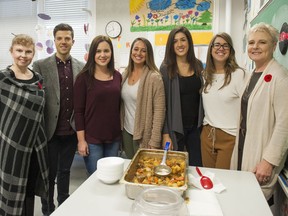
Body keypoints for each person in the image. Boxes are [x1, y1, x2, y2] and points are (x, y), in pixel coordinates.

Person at [230, 22, 288, 204]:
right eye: (251, 42)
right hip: (243, 148)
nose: (255, 47)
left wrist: (268, 161)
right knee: (240, 200)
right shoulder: (253, 74)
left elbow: (284, 124)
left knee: (252, 204)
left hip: (261, 155)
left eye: (262, 42)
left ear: (273, 45)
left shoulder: (280, 77)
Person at [32, 23, 85, 215]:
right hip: (50, 131)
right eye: (60, 38)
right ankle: (48, 210)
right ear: (54, 41)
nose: (63, 42)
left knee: (65, 172)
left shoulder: (81, 67)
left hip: (71, 131)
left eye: (67, 38)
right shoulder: (40, 66)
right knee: (49, 175)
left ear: (73, 41)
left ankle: (63, 207)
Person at [0, 34, 48, 216]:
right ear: (11, 51)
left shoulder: (38, 79)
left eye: (28, 51)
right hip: (11, 147)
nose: (23, 55)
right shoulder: (2, 79)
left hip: (34, 148)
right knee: (11, 190)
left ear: (33, 54)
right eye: (19, 50)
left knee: (28, 190)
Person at [74, 35, 122, 175]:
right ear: (92, 54)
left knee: (112, 177)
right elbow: (78, 112)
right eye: (98, 51)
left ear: (111, 53)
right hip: (92, 140)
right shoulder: (83, 78)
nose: (102, 55)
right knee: (96, 179)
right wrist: (81, 141)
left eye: (106, 51)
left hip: (113, 138)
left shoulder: (117, 76)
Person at [201, 32, 248, 169]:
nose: (221, 48)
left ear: (231, 51)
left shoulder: (240, 75)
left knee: (225, 181)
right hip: (207, 135)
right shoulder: (205, 76)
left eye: (225, 45)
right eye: (217, 45)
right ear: (211, 49)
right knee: (209, 178)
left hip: (230, 137)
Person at [160, 26, 203, 166]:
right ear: (171, 45)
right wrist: (165, 134)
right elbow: (163, 104)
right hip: (176, 128)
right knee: (176, 168)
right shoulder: (166, 68)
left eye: (183, 40)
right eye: (175, 41)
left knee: (197, 166)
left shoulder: (197, 65)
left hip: (196, 128)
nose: (180, 44)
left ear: (189, 42)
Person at [121, 37, 165, 159]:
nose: (138, 53)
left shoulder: (154, 77)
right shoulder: (125, 74)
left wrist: (155, 140)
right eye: (136, 49)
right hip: (127, 131)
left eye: (143, 51)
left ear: (148, 54)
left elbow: (159, 112)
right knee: (130, 166)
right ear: (131, 52)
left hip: (144, 134)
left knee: (144, 171)